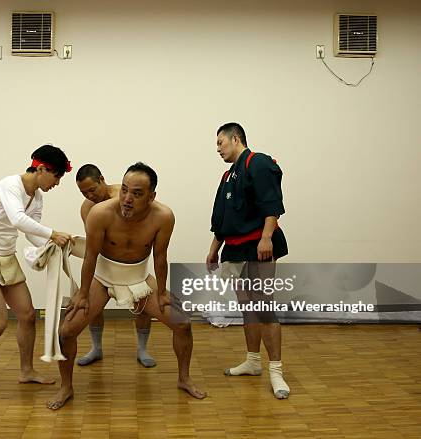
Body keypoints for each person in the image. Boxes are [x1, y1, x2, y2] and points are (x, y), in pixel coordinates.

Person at [47, 162, 206, 410]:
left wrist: (162, 292)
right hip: (102, 276)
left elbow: (160, 257)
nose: (127, 199)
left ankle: (184, 378)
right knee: (66, 331)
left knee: (183, 323)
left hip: (139, 277)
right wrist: (82, 294)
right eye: (124, 190)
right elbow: (90, 256)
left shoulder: (163, 216)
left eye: (137, 193)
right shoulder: (100, 213)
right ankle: (66, 387)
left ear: (151, 196)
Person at [0, 144, 73, 393]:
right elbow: (17, 219)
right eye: (56, 176)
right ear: (42, 169)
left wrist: (53, 244)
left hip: (6, 258)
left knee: (27, 315)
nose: (57, 183)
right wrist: (53, 233)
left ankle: (26, 371)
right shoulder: (9, 185)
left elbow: (31, 231)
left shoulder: (36, 196)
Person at [206, 122, 290, 399]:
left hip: (259, 245)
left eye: (221, 142)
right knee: (247, 308)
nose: (217, 148)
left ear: (236, 138)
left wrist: (266, 238)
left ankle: (276, 370)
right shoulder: (227, 176)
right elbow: (222, 217)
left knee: (264, 307)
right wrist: (214, 248)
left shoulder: (259, 163)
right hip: (234, 248)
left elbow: (271, 204)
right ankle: (253, 362)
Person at [75, 164, 156, 367]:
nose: (89, 195)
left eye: (92, 190)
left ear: (102, 179)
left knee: (143, 306)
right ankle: (96, 348)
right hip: (104, 266)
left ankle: (142, 348)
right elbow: (95, 243)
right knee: (92, 309)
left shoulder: (125, 198)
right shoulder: (88, 208)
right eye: (84, 192)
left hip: (133, 268)